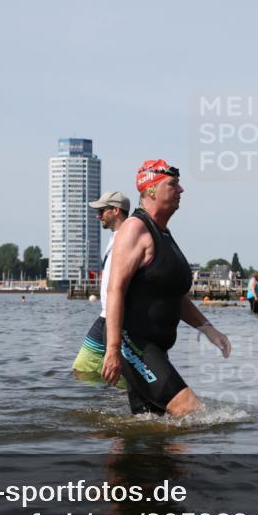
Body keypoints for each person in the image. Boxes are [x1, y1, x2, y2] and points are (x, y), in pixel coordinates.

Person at [101, 160, 231, 416]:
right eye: (173, 184)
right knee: (192, 412)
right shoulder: (135, 229)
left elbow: (173, 295)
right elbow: (115, 290)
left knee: (152, 427)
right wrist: (113, 349)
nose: (181, 190)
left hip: (155, 348)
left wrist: (207, 328)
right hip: (132, 343)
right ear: (150, 189)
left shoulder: (164, 233)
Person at [72, 191, 131, 384]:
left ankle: (126, 396)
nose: (98, 216)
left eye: (102, 211)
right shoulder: (115, 237)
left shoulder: (129, 238)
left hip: (117, 317)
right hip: (105, 315)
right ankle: (105, 398)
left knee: (123, 374)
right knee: (82, 368)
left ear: (116, 210)